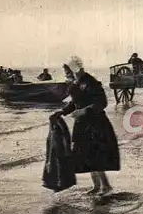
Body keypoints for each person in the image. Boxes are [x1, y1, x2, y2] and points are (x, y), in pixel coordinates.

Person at [50, 56, 120, 196]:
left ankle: (106, 186)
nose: (67, 75)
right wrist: (62, 112)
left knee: (95, 155)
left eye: (69, 72)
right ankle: (97, 185)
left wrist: (83, 111)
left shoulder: (91, 82)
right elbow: (75, 103)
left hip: (95, 124)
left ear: (76, 69)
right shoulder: (77, 83)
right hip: (83, 124)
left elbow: (102, 103)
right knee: (87, 155)